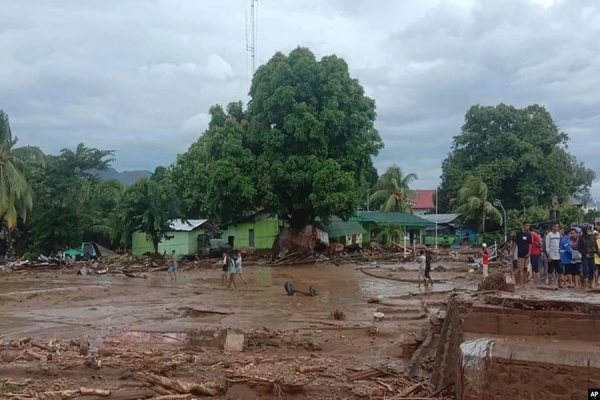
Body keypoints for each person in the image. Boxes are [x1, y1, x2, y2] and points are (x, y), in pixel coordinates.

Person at [545, 222, 563, 288]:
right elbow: (547, 246)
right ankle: (550, 283)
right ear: (553, 227)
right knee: (550, 270)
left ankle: (560, 283)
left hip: (557, 255)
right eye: (556, 226)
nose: (557, 228)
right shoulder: (549, 235)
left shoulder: (558, 234)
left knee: (560, 270)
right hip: (551, 255)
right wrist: (548, 255)